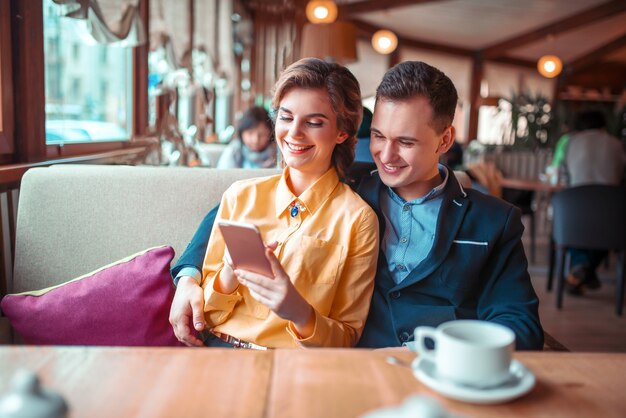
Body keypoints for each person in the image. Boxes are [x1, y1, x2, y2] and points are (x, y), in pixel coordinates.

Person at [170, 61, 543, 350]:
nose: (387, 155)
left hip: (438, 368)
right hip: (359, 364)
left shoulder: (494, 220)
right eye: (378, 136)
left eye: (406, 142)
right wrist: (187, 275)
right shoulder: (352, 181)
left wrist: (454, 355)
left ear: (445, 139)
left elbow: (519, 322)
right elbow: (237, 211)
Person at [171, 57, 379, 348]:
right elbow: (204, 316)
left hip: (291, 365)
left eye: (314, 122)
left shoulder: (358, 220)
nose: (294, 133)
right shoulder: (240, 196)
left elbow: (346, 337)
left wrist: (299, 312)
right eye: (286, 117)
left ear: (342, 132)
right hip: (216, 351)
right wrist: (228, 276)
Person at [562, 110, 626, 295]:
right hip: (610, 213)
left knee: (575, 226)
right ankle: (587, 273)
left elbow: (565, 177)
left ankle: (580, 267)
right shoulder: (616, 144)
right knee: (608, 234)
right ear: (603, 125)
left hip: (575, 211)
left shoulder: (571, 142)